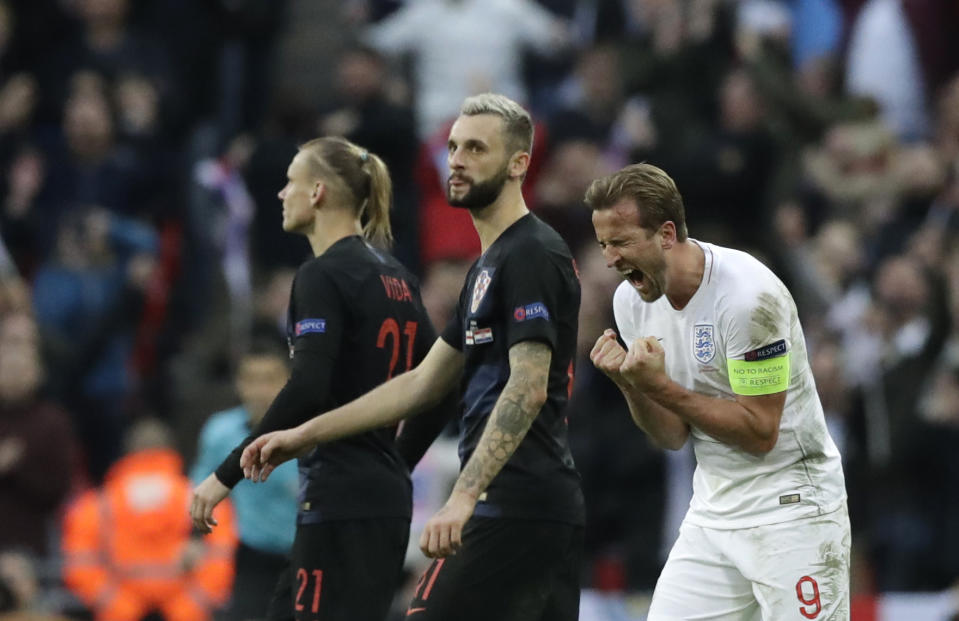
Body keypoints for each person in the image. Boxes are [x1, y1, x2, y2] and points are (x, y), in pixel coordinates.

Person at [242, 93, 584, 621]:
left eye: (476, 148)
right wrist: (304, 435)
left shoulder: (530, 252)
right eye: (452, 147)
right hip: (533, 505)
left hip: (515, 501)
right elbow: (422, 383)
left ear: (519, 164)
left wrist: (464, 495)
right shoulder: (486, 267)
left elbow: (528, 384)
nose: (457, 160)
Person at [190, 136, 442, 621]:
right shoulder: (400, 278)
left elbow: (308, 385)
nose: (282, 194)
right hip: (385, 499)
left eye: (291, 182)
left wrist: (224, 478)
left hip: (339, 496)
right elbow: (441, 384)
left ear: (319, 192)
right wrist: (395, 462)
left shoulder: (321, 275)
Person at [585, 163, 850, 620]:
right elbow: (670, 436)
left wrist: (660, 386)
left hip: (792, 508)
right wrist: (630, 384)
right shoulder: (631, 301)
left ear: (666, 234)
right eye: (604, 244)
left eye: (622, 242)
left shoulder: (747, 298)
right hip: (714, 510)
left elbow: (760, 431)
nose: (610, 259)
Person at [62, 419, 237, 621]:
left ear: (128, 453)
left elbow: (80, 566)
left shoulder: (96, 505)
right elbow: (221, 560)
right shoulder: (204, 501)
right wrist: (188, 606)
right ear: (171, 451)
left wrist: (118, 606)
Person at [189, 335, 298, 621]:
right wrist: (193, 538)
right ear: (239, 384)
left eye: (270, 379)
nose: (260, 390)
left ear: (289, 380)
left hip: (305, 554)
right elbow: (200, 488)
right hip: (250, 556)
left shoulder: (308, 435)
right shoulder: (220, 432)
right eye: (251, 379)